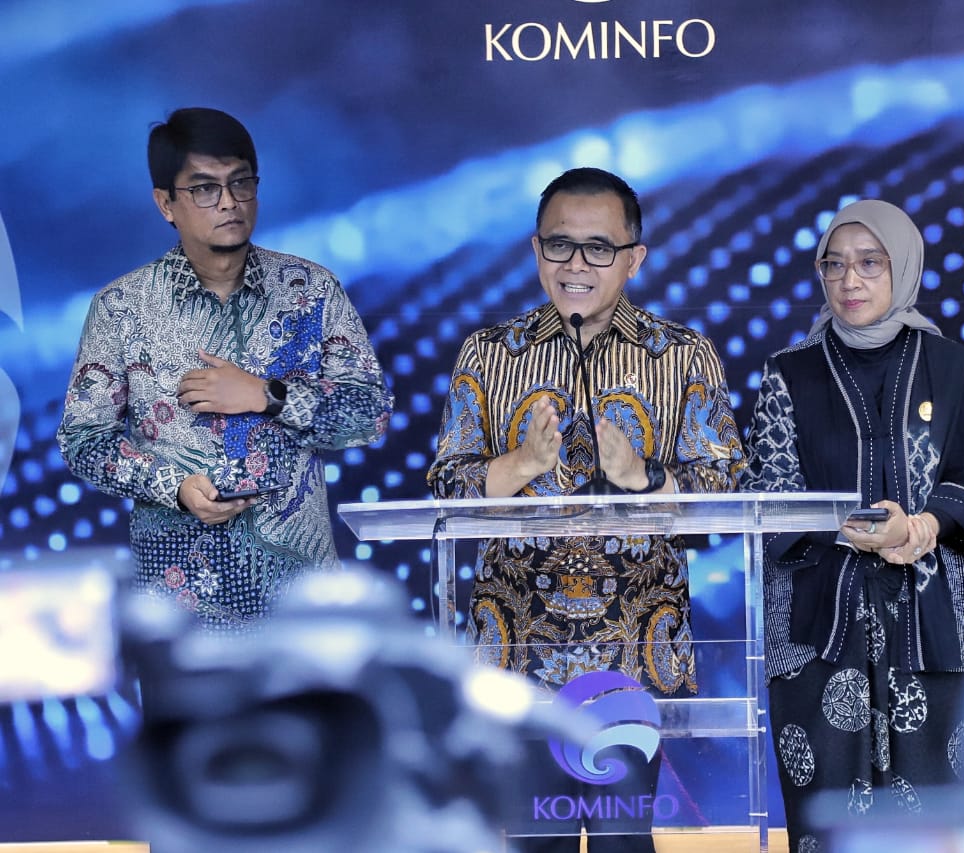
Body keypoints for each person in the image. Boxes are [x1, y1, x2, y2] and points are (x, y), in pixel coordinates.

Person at [426, 167, 744, 851]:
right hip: (517, 655)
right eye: (559, 245)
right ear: (535, 250)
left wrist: (642, 476)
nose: (576, 264)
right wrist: (519, 465)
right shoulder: (489, 352)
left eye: (599, 247)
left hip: (631, 655)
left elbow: (725, 486)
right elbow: (445, 487)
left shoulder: (682, 355)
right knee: (528, 841)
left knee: (622, 842)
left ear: (635, 258)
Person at [57, 107, 393, 633]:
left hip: (301, 601)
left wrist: (268, 395)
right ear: (165, 203)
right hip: (178, 606)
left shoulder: (310, 291)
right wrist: (173, 487)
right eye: (204, 189)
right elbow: (82, 440)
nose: (230, 202)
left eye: (241, 182)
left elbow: (371, 415)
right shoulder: (122, 308)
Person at [742, 199, 964, 850]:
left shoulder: (950, 367)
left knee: (940, 828)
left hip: (937, 630)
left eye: (869, 263)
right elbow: (767, 496)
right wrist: (853, 528)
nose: (849, 280)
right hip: (815, 632)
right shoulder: (790, 372)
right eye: (834, 265)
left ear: (904, 268)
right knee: (827, 826)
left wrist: (920, 527)